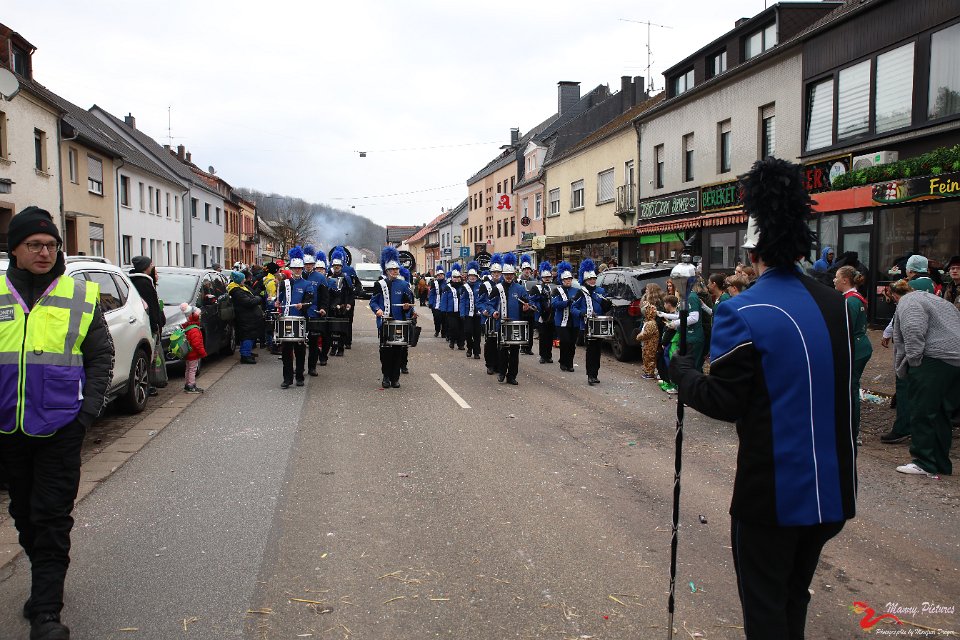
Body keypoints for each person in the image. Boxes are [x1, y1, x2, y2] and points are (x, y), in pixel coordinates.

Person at [669, 157, 856, 639]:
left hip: (773, 496)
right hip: (833, 492)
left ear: (751, 253)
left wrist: (682, 374)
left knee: (766, 609)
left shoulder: (741, 310)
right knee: (793, 598)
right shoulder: (835, 304)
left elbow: (725, 401)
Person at [0, 206, 114, 640]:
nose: (44, 252)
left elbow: (100, 356)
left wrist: (87, 414)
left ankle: (47, 612)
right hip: (7, 429)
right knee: (23, 514)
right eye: (34, 244)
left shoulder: (79, 295)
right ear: (15, 248)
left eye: (51, 245)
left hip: (61, 427)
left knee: (51, 518)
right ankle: (41, 584)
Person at [890, 279, 960, 477]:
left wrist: (914, 361)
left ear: (896, 295)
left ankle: (924, 462)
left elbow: (913, 329)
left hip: (932, 360)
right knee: (942, 414)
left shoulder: (908, 301)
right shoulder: (940, 301)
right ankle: (941, 463)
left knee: (923, 411)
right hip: (955, 360)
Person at [834, 266, 872, 443]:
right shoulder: (855, 298)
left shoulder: (850, 301)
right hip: (860, 346)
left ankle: (851, 432)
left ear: (845, 280)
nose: (834, 280)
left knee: (850, 389)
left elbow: (846, 329)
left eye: (836, 277)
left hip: (855, 348)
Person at [370, 247, 416, 389]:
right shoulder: (379, 284)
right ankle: (386, 376)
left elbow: (409, 303)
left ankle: (395, 378)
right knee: (385, 351)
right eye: (393, 269)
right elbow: (373, 302)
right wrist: (377, 310)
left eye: (397, 269)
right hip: (384, 322)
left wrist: (408, 308)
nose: (395, 271)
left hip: (399, 322)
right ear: (387, 271)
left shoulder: (404, 284)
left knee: (398, 351)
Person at [487, 253, 531, 385]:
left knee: (515, 352)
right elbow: (489, 304)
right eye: (506, 274)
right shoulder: (497, 288)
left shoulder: (520, 288)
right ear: (503, 275)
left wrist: (526, 307)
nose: (509, 276)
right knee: (503, 350)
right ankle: (502, 372)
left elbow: (527, 303)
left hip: (516, 324)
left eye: (511, 274)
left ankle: (512, 376)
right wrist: (494, 312)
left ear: (514, 275)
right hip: (501, 324)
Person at [276, 247, 316, 388]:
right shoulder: (284, 283)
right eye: (295, 268)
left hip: (300, 320)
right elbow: (279, 298)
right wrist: (276, 302)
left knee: (300, 351)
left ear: (302, 269)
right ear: (291, 269)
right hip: (286, 319)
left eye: (299, 268)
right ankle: (287, 379)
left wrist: (302, 305)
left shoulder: (307, 284)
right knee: (286, 351)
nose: (297, 270)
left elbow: (310, 301)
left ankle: (299, 376)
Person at [129, 255, 164, 397]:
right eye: (150, 265)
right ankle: (149, 385)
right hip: (148, 324)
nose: (152, 266)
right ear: (145, 267)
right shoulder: (144, 283)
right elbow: (152, 306)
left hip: (140, 323)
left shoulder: (133, 280)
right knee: (151, 356)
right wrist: (156, 323)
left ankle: (147, 384)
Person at [572, 259, 610, 385]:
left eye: (594, 279)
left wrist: (608, 305)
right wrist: (582, 313)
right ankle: (590, 374)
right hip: (587, 324)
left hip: (599, 323)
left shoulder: (600, 291)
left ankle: (595, 373)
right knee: (591, 350)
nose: (593, 281)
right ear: (585, 280)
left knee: (598, 350)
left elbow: (604, 308)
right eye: (590, 279)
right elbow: (573, 308)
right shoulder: (581, 292)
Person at [227, 270, 264, 364]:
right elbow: (248, 302)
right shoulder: (237, 291)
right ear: (239, 280)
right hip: (245, 317)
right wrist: (258, 298)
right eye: (243, 279)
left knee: (249, 335)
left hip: (248, 316)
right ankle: (245, 356)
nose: (244, 280)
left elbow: (252, 296)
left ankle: (246, 353)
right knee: (248, 335)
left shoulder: (240, 288)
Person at [552, 261, 580, 373]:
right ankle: (563, 361)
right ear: (562, 280)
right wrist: (566, 303)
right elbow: (554, 304)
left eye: (569, 279)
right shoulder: (557, 291)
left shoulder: (576, 291)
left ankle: (570, 363)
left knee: (572, 343)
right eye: (566, 279)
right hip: (562, 321)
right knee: (565, 341)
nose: (568, 281)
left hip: (574, 321)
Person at [327, 248, 354, 358]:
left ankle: (341, 348)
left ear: (341, 266)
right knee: (333, 328)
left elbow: (351, 293)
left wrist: (349, 304)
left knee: (342, 329)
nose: (336, 267)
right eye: (335, 266)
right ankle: (333, 348)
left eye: (338, 266)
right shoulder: (329, 278)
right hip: (332, 306)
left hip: (343, 305)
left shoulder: (346, 278)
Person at [480, 254, 504, 375]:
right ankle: (490, 364)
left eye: (498, 272)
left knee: (501, 342)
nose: (496, 274)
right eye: (494, 272)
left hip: (502, 317)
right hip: (489, 318)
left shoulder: (504, 285)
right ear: (491, 273)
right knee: (490, 342)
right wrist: (484, 310)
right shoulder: (485, 285)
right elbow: (480, 302)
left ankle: (499, 365)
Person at [530, 261, 555, 364]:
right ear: (541, 278)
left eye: (548, 277)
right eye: (545, 277)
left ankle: (549, 355)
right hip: (541, 314)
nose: (547, 279)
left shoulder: (554, 287)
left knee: (550, 336)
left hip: (551, 314)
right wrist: (536, 306)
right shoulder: (536, 288)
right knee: (543, 335)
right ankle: (543, 355)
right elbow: (532, 299)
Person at [179, 303, 207, 392]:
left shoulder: (187, 327)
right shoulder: (195, 330)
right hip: (193, 354)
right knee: (192, 369)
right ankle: (191, 385)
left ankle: (187, 384)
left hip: (188, 353)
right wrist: (203, 353)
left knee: (188, 369)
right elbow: (197, 344)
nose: (200, 317)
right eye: (199, 315)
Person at [460, 261, 483, 359]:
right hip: (467, 313)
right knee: (468, 332)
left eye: (474, 276)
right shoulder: (465, 287)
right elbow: (462, 300)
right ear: (468, 277)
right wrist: (462, 313)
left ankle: (476, 352)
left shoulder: (481, 286)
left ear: (477, 277)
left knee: (477, 334)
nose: (472, 278)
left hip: (478, 314)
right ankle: (469, 348)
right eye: (471, 276)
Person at [442, 264, 465, 350]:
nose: (456, 279)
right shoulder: (447, 287)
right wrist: (443, 309)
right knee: (453, 327)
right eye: (454, 277)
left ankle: (461, 344)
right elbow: (444, 299)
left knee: (461, 328)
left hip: (461, 311)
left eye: (458, 277)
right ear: (451, 278)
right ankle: (452, 340)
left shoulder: (463, 287)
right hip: (451, 311)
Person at [518, 254, 537, 355]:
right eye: (525, 269)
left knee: (530, 329)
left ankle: (529, 348)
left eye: (528, 269)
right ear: (522, 270)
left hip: (530, 308)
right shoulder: (518, 281)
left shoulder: (534, 281)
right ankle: (522, 346)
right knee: (522, 328)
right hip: (521, 308)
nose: (527, 271)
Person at [636, 304, 660, 380]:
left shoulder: (650, 323)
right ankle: (648, 371)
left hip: (650, 344)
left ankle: (650, 373)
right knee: (646, 357)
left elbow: (646, 334)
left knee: (649, 357)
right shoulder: (649, 322)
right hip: (647, 344)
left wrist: (639, 336)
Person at [428, 268, 446, 338]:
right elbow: (431, 294)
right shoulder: (434, 283)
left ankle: (444, 332)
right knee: (437, 319)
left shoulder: (447, 283)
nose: (440, 276)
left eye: (441, 275)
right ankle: (437, 330)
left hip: (444, 304)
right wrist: (431, 302)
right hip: (436, 304)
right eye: (438, 275)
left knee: (444, 319)